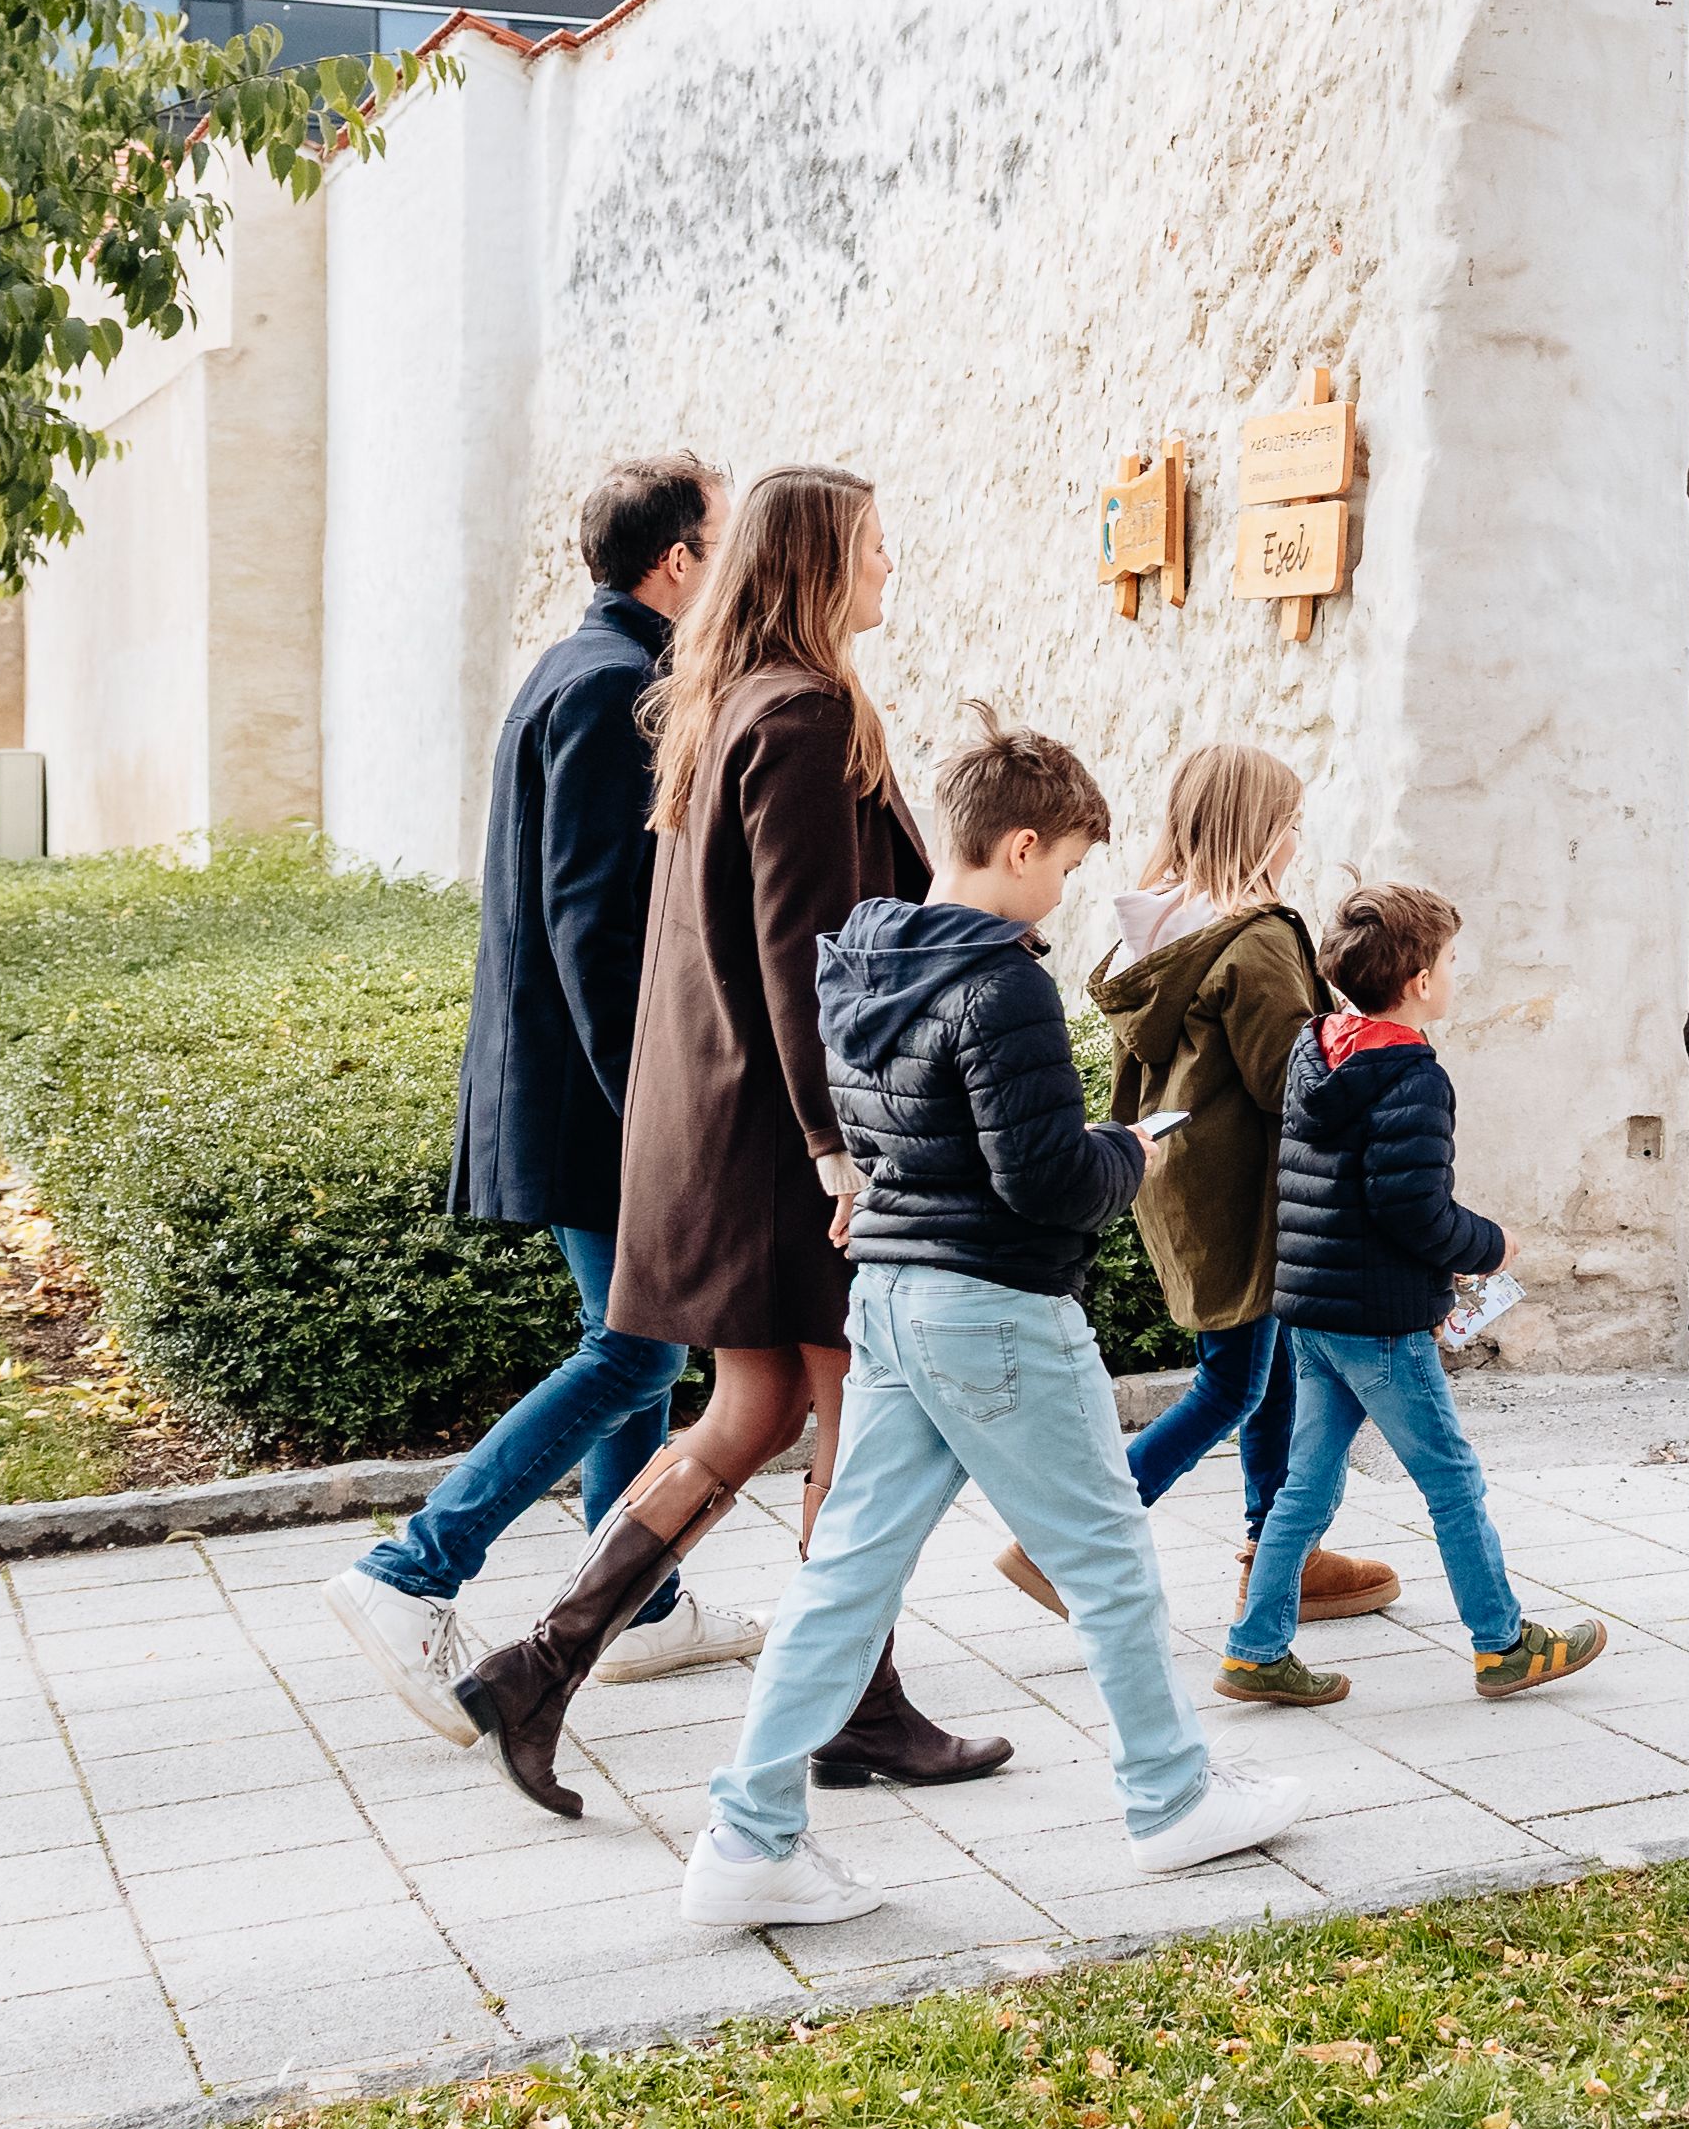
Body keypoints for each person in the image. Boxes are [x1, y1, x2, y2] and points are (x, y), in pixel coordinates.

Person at [681, 706, 1313, 1927]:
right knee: (1112, 1561)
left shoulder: (861, 953)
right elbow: (1042, 1178)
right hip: (997, 1310)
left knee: (846, 1575)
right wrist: (1127, 1153)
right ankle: (1173, 1799)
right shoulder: (1001, 986)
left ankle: (747, 1837)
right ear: (1020, 846)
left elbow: (884, 1145)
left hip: (894, 1302)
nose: (1068, 892)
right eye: (1069, 867)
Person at [453, 463, 1011, 1818]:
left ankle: (538, 1666)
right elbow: (801, 949)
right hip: (781, 1146)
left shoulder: (722, 704)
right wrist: (840, 1147)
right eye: (875, 547)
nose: (892, 568)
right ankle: (851, 1713)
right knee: (854, 1427)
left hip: (718, 1126)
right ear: (821, 564)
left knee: (751, 1411)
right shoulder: (806, 714)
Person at [326, 456, 760, 1741]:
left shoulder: (581, 668)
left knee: (645, 1348)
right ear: (675, 561)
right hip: (593, 1096)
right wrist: (652, 1108)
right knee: (633, 1348)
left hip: (576, 1087)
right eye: (717, 544)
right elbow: (591, 923)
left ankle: (643, 1600)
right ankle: (412, 1569)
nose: (726, 565)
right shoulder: (618, 686)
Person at [985, 744, 1399, 1629]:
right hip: (1249, 1193)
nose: (1296, 843)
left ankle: (1276, 1549)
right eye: (1289, 826)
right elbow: (1289, 1085)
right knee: (1234, 1383)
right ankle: (1064, 1547)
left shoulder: (1158, 927)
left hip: (1180, 1184)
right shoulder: (1257, 939)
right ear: (1256, 833)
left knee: (1267, 1365)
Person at [1216, 886, 1605, 1709]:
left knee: (1305, 1487)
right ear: (1421, 980)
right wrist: (1491, 1244)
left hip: (1311, 1314)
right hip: (1381, 1325)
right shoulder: (1412, 1075)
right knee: (1452, 1482)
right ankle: (1503, 1645)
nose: (1457, 974)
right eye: (1452, 961)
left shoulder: (1313, 1048)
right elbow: (1412, 1212)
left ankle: (1254, 1650)